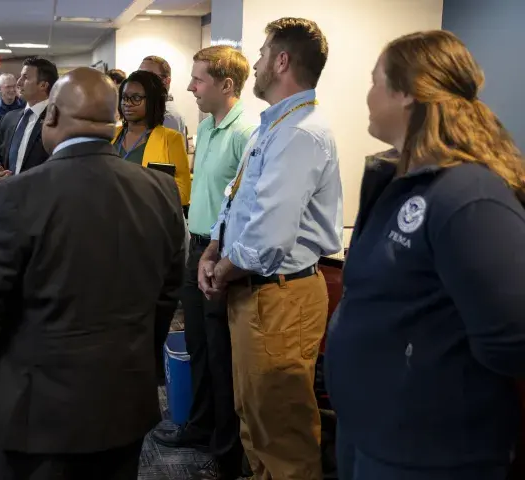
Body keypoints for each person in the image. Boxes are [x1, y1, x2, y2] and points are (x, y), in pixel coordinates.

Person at [0, 67, 185, 480]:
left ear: (51, 116)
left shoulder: (15, 194)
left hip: (38, 413)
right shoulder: (160, 191)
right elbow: (166, 295)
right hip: (123, 402)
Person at [325, 30, 525, 480]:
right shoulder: (402, 180)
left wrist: (426, 378)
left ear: (408, 93)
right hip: (374, 438)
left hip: (431, 454)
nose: (368, 94)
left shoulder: (467, 195)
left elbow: (513, 338)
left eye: (375, 80)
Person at [201, 18, 343, 480]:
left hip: (280, 296)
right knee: (254, 420)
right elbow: (239, 200)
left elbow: (270, 235)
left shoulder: (300, 132)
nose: (256, 64)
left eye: (262, 54)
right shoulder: (273, 126)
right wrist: (213, 248)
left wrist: (221, 270)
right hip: (256, 294)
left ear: (282, 61)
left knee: (281, 434)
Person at [151, 45, 254, 480]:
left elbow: (247, 207)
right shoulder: (210, 125)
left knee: (221, 355)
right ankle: (200, 426)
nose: (190, 87)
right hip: (198, 248)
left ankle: (227, 449)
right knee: (197, 345)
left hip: (223, 255)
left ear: (226, 85)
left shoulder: (246, 131)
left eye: (199, 79)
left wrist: (221, 257)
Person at [112, 70, 191, 207]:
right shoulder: (111, 135)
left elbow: (183, 194)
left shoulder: (171, 139)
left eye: (136, 98)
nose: (127, 103)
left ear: (153, 101)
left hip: (146, 219)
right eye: (124, 97)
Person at [0, 57, 56, 182]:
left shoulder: (57, 120)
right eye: (20, 77)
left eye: (25, 77)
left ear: (43, 85)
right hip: (7, 194)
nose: (18, 83)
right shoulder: (9, 118)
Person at [139, 55, 187, 137]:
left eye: (148, 76)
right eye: (139, 74)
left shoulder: (167, 117)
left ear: (166, 81)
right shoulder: (151, 109)